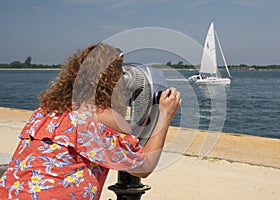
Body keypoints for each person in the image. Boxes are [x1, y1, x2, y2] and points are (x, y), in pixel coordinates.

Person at [0, 43, 181, 199]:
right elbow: (143, 167)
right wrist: (164, 114)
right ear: (114, 82)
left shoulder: (46, 111)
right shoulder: (101, 117)